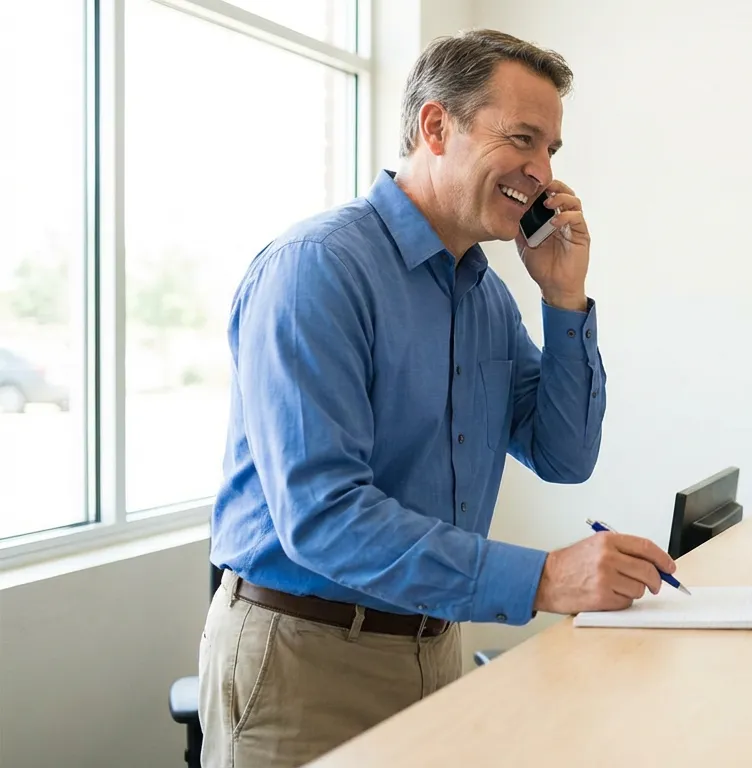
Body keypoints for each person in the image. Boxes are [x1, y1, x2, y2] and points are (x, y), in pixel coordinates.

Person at [198, 30, 678, 768]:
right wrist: (545, 577)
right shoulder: (317, 270)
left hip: (436, 644)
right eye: (523, 138)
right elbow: (323, 515)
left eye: (552, 149)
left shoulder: (485, 293)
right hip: (305, 658)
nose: (543, 172)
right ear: (434, 126)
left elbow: (564, 454)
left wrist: (564, 298)